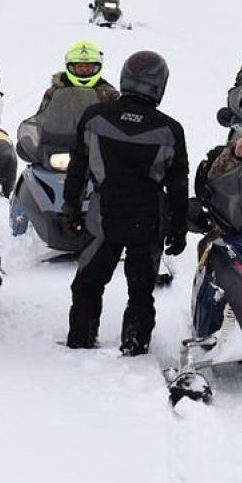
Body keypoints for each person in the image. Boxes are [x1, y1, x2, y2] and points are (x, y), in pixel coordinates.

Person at [62, 51, 189, 355]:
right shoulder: (170, 129)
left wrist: (71, 206)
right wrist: (179, 227)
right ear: (160, 84)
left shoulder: (94, 117)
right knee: (141, 290)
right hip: (148, 218)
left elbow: (77, 167)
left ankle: (81, 339)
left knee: (89, 282)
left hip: (104, 214)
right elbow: (178, 184)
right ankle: (134, 345)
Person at [36, 40, 120, 113]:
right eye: (79, 66)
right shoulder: (55, 92)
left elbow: (117, 120)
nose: (84, 70)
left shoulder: (109, 93)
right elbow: (41, 118)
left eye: (88, 66)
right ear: (71, 67)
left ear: (96, 67)